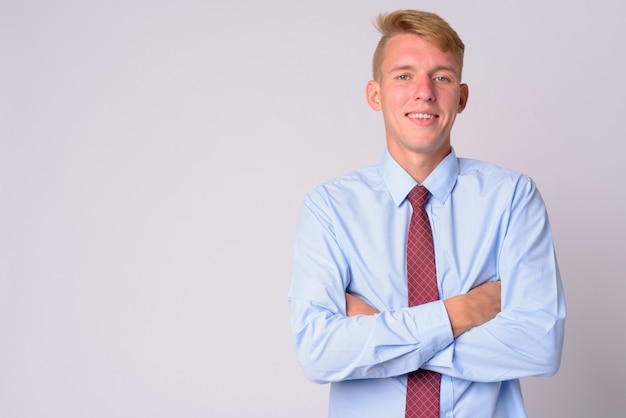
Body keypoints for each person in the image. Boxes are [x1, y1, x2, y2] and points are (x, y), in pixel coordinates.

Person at [288, 9, 566, 418]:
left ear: (461, 96)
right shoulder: (329, 208)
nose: (424, 92)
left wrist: (384, 328)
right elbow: (319, 353)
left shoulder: (512, 199)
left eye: (442, 77)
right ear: (375, 94)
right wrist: (462, 312)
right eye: (403, 75)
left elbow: (539, 345)